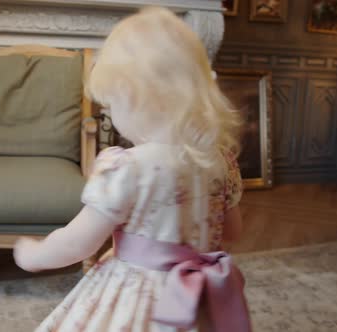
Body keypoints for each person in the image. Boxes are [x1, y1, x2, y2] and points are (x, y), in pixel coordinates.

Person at [13, 7, 251, 332]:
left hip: (139, 297)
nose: (113, 116)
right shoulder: (222, 161)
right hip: (197, 299)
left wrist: (36, 255)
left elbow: (78, 243)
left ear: (132, 96)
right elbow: (233, 232)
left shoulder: (127, 167)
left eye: (111, 106)